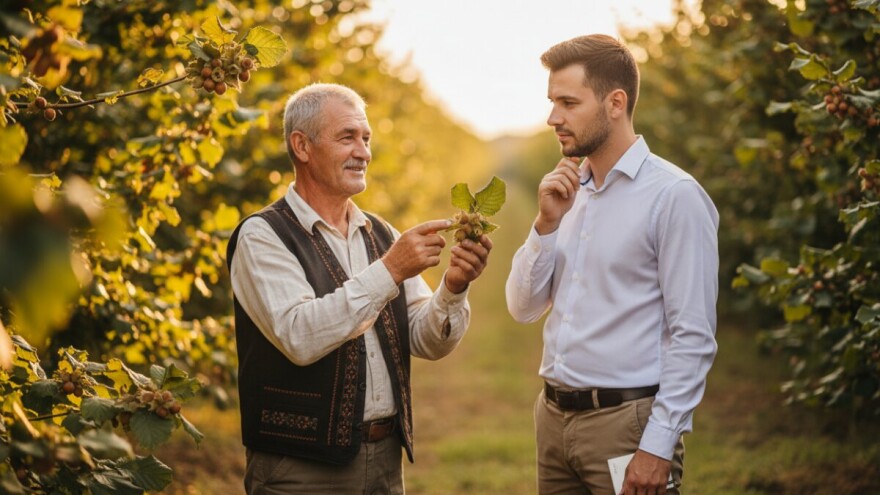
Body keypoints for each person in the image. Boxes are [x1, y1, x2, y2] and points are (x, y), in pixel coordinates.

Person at [227, 83, 492, 494]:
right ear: (302, 146)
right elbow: (299, 335)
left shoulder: (380, 233)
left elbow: (426, 340)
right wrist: (390, 271)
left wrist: (453, 289)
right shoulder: (263, 236)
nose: (364, 152)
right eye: (347, 137)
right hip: (299, 469)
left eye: (366, 139)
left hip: (384, 462)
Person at [505, 34, 719, 495]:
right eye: (551, 102)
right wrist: (544, 224)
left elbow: (693, 335)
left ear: (615, 102)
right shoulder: (565, 194)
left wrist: (658, 446)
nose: (552, 118)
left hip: (627, 428)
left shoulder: (674, 197)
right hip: (553, 422)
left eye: (567, 102)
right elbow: (522, 308)